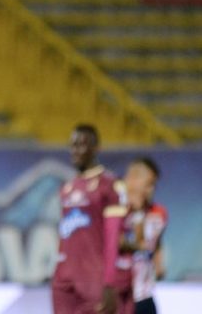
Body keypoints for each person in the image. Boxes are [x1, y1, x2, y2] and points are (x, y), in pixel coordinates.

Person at [52, 124, 131, 314]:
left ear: (96, 148)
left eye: (82, 144)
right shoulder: (67, 188)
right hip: (64, 281)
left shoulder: (110, 186)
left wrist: (110, 282)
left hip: (94, 279)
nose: (75, 150)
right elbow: (65, 237)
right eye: (73, 145)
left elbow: (113, 238)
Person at [123, 157, 167, 314]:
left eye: (154, 185)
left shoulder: (159, 213)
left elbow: (156, 242)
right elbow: (137, 242)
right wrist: (136, 213)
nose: (151, 190)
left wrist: (159, 263)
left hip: (145, 295)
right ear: (131, 180)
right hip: (120, 295)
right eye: (148, 184)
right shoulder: (116, 211)